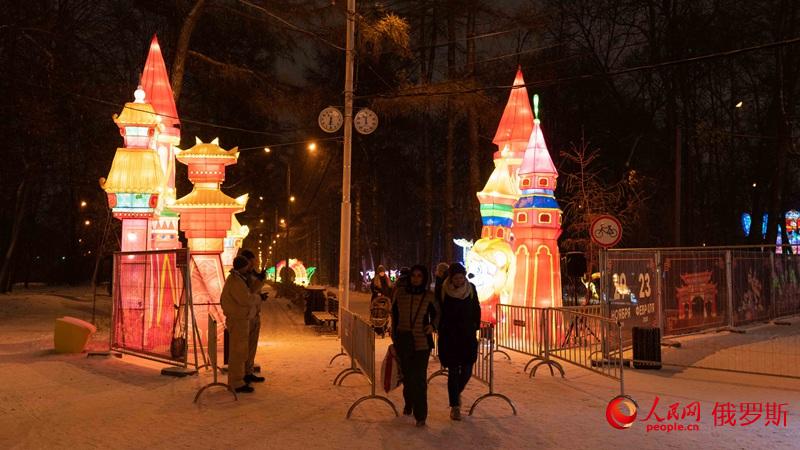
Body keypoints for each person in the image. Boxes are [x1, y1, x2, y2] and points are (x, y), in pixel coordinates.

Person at [391, 264, 437, 427]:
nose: (416, 279)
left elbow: (438, 315)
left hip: (422, 343)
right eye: (413, 276)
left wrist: (433, 326)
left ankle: (421, 415)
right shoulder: (400, 294)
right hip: (403, 341)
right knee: (408, 377)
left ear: (424, 278)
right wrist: (394, 338)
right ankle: (409, 402)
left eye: (419, 276)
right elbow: (394, 316)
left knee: (419, 379)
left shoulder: (429, 296)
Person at [436, 262, 481, 420]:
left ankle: (456, 393)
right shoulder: (443, 290)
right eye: (456, 278)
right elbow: (438, 309)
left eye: (461, 277)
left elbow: (476, 308)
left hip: (467, 337)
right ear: (451, 278)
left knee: (467, 370)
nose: (459, 281)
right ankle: (455, 406)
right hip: (450, 337)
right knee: (453, 372)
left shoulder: (471, 289)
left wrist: (474, 325)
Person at [220, 255, 262, 393]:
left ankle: (239, 379)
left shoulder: (237, 279)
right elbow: (245, 299)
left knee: (241, 350)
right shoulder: (236, 281)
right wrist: (258, 298)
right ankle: (236, 382)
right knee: (238, 352)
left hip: (241, 318)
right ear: (243, 266)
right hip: (238, 319)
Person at [239, 249, 266, 384]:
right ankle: (244, 373)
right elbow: (249, 293)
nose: (254, 263)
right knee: (246, 346)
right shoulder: (242, 276)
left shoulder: (250, 274)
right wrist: (260, 282)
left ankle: (248, 371)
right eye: (252, 260)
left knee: (252, 345)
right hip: (247, 315)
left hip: (254, 313)